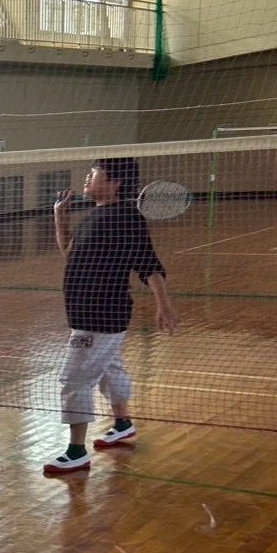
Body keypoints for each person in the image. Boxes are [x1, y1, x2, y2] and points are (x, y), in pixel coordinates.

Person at [45, 157, 179, 476]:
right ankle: (122, 423)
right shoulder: (96, 214)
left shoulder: (126, 218)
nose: (86, 179)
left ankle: (76, 451)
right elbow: (69, 253)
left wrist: (164, 305)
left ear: (114, 182)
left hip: (101, 313)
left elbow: (148, 264)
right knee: (108, 367)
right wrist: (59, 215)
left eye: (93, 174)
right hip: (84, 311)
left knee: (74, 378)